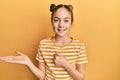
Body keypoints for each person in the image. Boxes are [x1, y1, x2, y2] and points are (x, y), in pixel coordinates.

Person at [0, 4, 88, 80]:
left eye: (66, 20)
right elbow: (42, 76)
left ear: (71, 23)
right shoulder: (44, 44)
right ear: (52, 22)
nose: (61, 25)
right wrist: (28, 62)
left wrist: (66, 64)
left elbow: (80, 78)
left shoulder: (79, 46)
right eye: (56, 20)